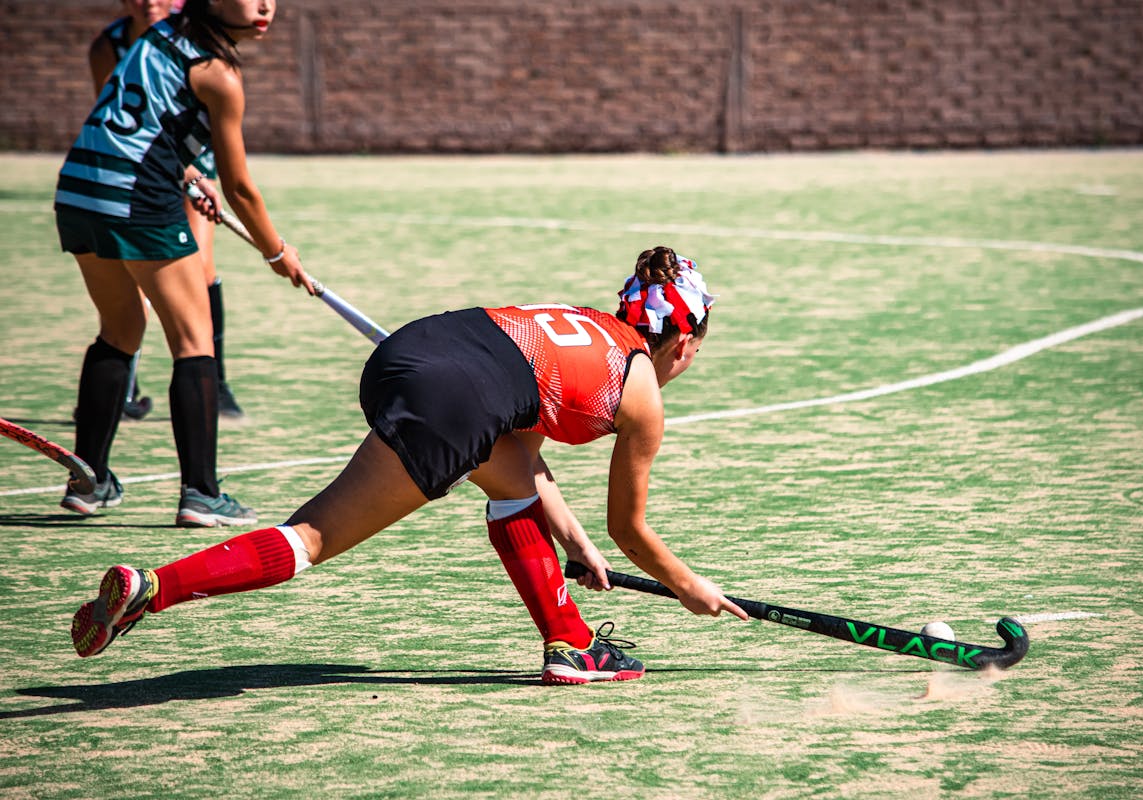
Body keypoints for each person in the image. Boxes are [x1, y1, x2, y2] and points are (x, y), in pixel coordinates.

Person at [70, 247, 750, 685]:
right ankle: (154, 587)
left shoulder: (585, 322)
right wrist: (690, 585)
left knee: (508, 487)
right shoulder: (642, 396)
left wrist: (573, 541)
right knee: (312, 537)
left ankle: (570, 643)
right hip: (456, 399)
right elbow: (629, 531)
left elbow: (522, 458)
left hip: (413, 351)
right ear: (683, 343)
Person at [55, 0, 311, 527]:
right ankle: (201, 493)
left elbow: (139, 123)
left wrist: (189, 173)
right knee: (195, 343)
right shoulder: (219, 73)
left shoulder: (161, 34)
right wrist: (278, 252)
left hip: (79, 191)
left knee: (120, 329)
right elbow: (241, 187)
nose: (265, 6)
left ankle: (88, 482)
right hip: (137, 201)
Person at [88, 0, 245, 421]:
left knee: (202, 266)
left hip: (193, 160)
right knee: (136, 274)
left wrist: (189, 173)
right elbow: (116, 120)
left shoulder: (196, 39)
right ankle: (125, 384)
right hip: (139, 169)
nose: (150, 2)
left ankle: (219, 385)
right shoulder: (110, 45)